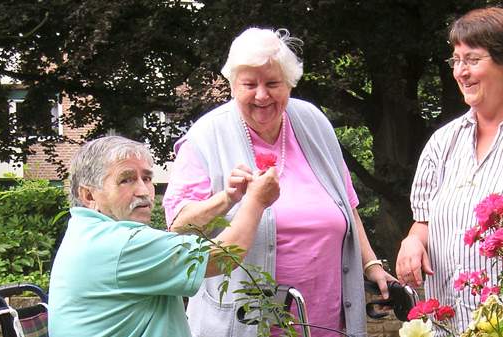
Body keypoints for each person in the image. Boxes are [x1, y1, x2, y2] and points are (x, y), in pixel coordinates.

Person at [162, 27, 394, 337]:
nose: (262, 95)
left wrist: (371, 265)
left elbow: (347, 205)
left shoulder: (313, 123)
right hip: (244, 325)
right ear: (232, 85)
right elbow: (179, 227)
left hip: (325, 322)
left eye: (273, 83)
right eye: (249, 84)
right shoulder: (206, 137)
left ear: (289, 83)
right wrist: (227, 199)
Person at [395, 7, 503, 335]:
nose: (460, 71)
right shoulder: (442, 142)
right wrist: (412, 241)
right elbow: (425, 221)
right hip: (449, 326)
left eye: (473, 59)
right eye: (456, 59)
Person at [48, 135, 279, 337]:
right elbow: (224, 256)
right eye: (126, 179)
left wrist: (229, 198)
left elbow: (173, 239)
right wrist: (256, 201)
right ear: (89, 195)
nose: (143, 191)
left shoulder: (87, 233)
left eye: (147, 178)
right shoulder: (121, 244)